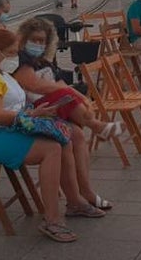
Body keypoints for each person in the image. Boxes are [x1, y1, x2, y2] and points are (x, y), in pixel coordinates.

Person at [0, 29, 104, 243]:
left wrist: (37, 112)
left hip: (8, 129)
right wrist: (32, 114)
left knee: (63, 138)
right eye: (11, 52)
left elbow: (12, 107)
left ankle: (74, 201)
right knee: (51, 148)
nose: (15, 57)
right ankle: (52, 219)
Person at [13, 18, 121, 209]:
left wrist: (71, 92)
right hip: (32, 115)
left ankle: (85, 191)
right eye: (34, 40)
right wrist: (71, 92)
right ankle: (97, 126)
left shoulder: (42, 61)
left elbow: (54, 84)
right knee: (65, 93)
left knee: (77, 134)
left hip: (50, 111)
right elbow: (34, 85)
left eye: (42, 41)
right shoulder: (21, 60)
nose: (38, 44)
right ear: (24, 39)